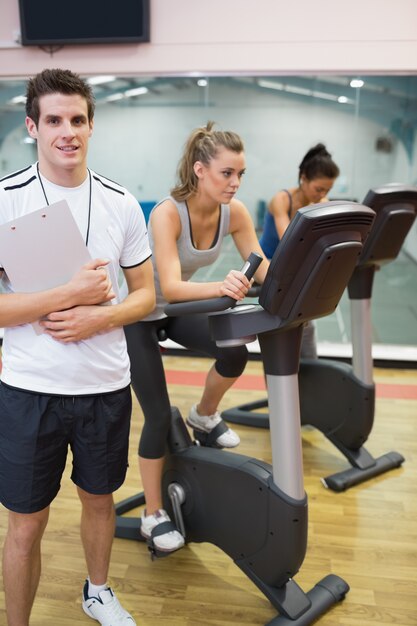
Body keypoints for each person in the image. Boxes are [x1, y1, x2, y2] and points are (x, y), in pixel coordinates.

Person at [0, 68, 155, 626]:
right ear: (32, 127)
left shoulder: (120, 203)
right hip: (29, 391)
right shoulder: (5, 201)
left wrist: (99, 318)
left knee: (100, 500)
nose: (68, 131)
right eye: (55, 120)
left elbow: (146, 296)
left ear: (92, 125)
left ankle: (97, 591)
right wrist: (68, 294)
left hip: (104, 387)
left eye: (78, 120)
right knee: (26, 522)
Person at [124, 122, 268, 556]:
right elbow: (170, 283)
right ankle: (153, 514)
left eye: (240, 174)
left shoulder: (235, 212)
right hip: (136, 313)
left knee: (234, 350)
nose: (236, 183)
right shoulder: (168, 213)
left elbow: (261, 267)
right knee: (157, 415)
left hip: (171, 311)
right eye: (227, 173)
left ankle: (204, 415)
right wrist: (222, 288)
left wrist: (305, 277)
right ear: (200, 170)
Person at [259, 143, 340, 358]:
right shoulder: (282, 199)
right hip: (270, 263)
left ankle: (308, 374)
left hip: (295, 266)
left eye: (327, 190)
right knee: (285, 326)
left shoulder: (321, 203)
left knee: (306, 325)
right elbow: (291, 243)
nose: (322, 194)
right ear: (303, 178)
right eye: (319, 189)